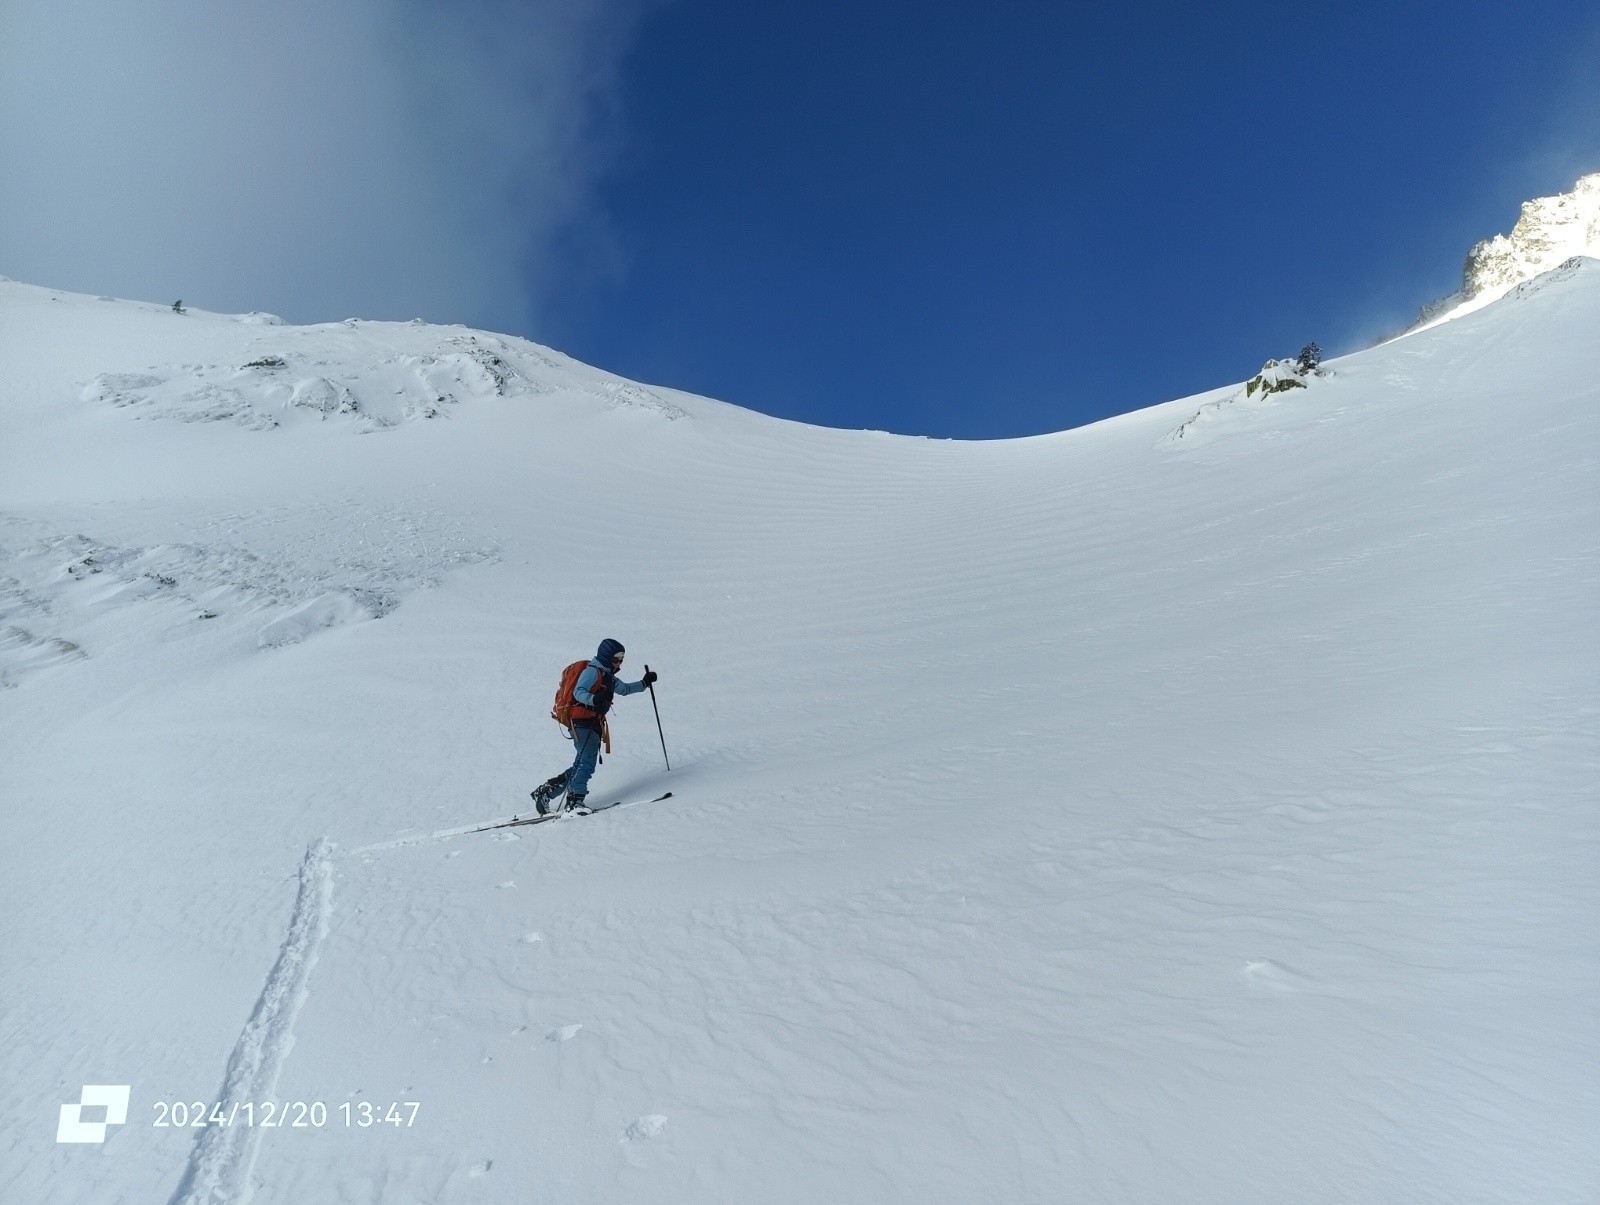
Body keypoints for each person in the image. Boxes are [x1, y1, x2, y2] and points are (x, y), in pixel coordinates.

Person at [532, 638, 658, 815]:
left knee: (582, 762)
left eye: (622, 658)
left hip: (592, 722)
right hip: (581, 722)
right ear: (606, 656)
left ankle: (548, 792)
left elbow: (625, 689)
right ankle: (575, 801)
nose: (620, 661)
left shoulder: (608, 676)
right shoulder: (592, 672)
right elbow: (578, 692)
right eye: (617, 657)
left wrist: (644, 683)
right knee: (587, 762)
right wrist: (594, 699)